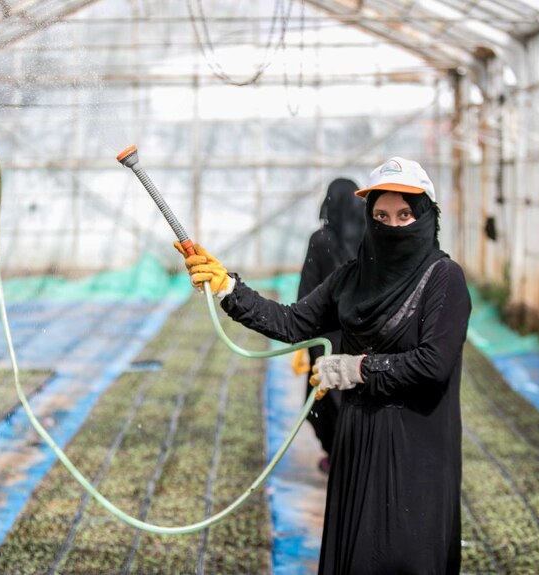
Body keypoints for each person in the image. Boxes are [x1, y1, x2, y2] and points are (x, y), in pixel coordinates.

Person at [175, 157, 470, 574]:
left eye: (405, 215)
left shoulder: (444, 279)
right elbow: (292, 321)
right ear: (369, 218)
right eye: (382, 215)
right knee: (357, 554)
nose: (393, 225)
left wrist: (355, 369)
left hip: (416, 448)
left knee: (408, 554)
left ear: (425, 216)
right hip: (356, 439)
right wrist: (227, 288)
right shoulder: (352, 278)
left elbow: (433, 364)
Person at [295, 177, 365, 473]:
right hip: (362, 334)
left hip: (326, 336)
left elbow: (306, 293)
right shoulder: (370, 238)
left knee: (323, 397)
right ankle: (359, 459)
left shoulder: (321, 240)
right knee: (358, 395)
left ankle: (336, 456)